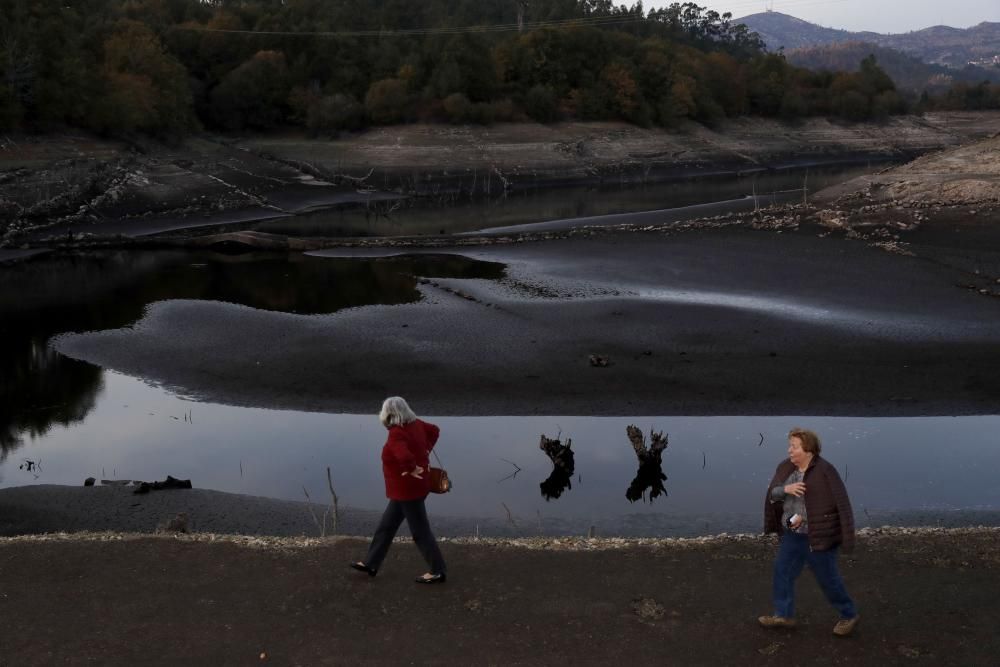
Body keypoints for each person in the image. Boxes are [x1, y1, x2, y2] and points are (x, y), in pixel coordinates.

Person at [759, 428, 860, 636]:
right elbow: (772, 495)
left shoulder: (826, 471)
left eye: (794, 447)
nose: (789, 451)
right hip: (792, 536)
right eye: (790, 446)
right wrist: (785, 490)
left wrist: (847, 536)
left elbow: (842, 504)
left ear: (808, 449)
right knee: (782, 571)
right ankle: (784, 615)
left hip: (818, 538)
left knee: (828, 580)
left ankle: (849, 615)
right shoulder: (786, 468)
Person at [351, 396, 448, 584]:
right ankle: (371, 563)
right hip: (410, 488)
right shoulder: (416, 423)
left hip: (408, 490)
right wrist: (425, 451)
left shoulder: (397, 432)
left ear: (388, 413)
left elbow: (401, 453)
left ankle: (438, 570)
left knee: (420, 532)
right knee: (386, 527)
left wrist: (411, 467)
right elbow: (434, 431)